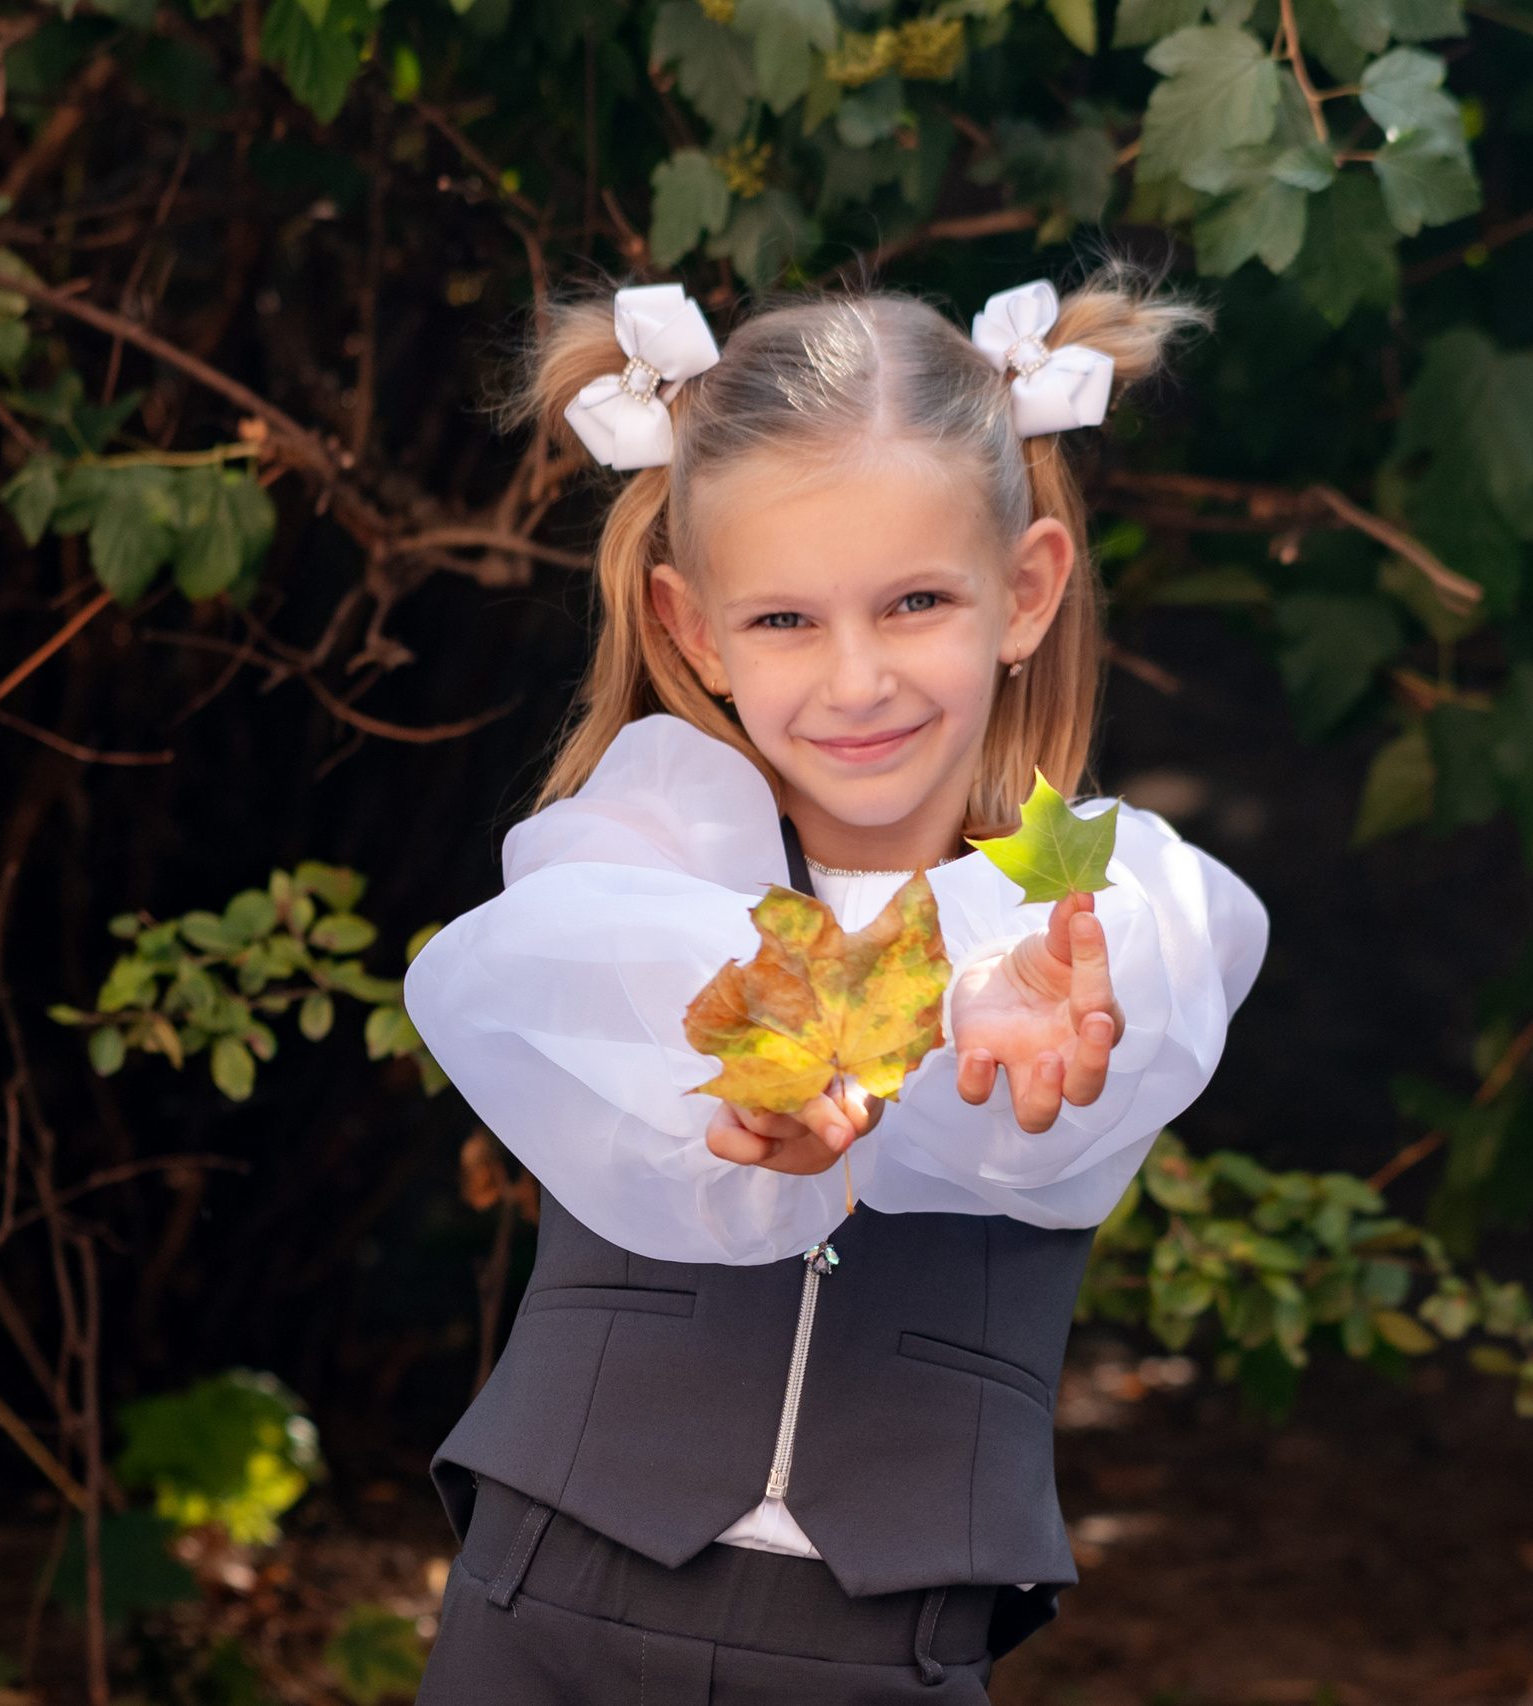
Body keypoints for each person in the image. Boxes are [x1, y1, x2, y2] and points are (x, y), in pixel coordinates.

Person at [402, 273, 1268, 1704]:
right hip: (549, 1612)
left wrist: (974, 1007)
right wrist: (789, 1069)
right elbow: (596, 969)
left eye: (916, 600)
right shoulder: (646, 845)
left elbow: (1158, 952)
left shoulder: (1089, 895)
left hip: (884, 1650)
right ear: (693, 629)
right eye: (788, 620)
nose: (857, 679)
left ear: (1027, 589)